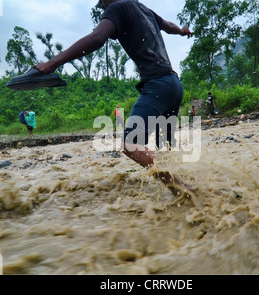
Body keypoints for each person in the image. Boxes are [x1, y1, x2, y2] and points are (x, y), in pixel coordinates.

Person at [33, 0, 194, 195]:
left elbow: (97, 38)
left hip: (158, 85)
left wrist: (53, 63)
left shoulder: (118, 7)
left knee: (130, 143)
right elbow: (169, 27)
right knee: (165, 146)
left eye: (102, 2)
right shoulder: (143, 8)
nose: (102, 6)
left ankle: (183, 190)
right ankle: (185, 191)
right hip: (174, 85)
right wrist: (183, 31)